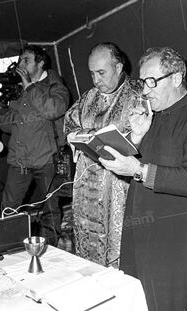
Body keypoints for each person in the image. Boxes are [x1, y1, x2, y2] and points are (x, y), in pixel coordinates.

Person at [99, 47, 187, 311]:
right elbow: (134, 165)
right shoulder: (150, 119)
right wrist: (137, 138)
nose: (145, 91)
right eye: (142, 82)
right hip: (144, 233)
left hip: (177, 240)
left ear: (177, 78)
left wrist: (138, 169)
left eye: (152, 82)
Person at [64, 42, 141, 267]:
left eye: (101, 72)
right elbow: (70, 122)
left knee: (117, 239)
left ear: (118, 67)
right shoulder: (88, 97)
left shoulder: (138, 93)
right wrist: (77, 136)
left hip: (118, 182)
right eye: (92, 74)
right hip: (86, 180)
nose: (96, 80)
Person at [0, 45, 69, 246]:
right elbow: (11, 127)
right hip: (20, 161)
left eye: (26, 60)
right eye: (20, 60)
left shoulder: (55, 87)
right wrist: (0, 110)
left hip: (47, 160)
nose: (20, 65)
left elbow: (53, 110)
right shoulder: (20, 90)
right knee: (8, 209)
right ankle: (7, 246)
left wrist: (29, 86)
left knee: (50, 211)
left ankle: (52, 251)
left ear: (40, 63)